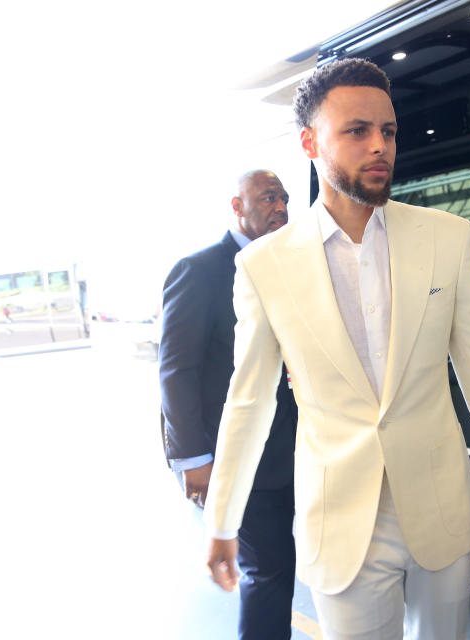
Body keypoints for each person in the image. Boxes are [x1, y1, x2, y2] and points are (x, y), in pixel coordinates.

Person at [203, 58, 470, 640]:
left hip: (441, 509)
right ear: (309, 142)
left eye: (389, 131)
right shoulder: (263, 266)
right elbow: (249, 402)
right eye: (357, 131)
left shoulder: (447, 237)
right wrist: (222, 520)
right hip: (339, 522)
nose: (380, 147)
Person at [159, 170, 297, 640]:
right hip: (240, 457)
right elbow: (176, 370)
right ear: (237, 206)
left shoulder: (291, 264)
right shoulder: (199, 271)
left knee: (299, 565)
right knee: (270, 574)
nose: (279, 206)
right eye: (266, 198)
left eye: (283, 197)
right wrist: (193, 459)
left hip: (299, 450)